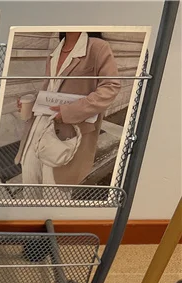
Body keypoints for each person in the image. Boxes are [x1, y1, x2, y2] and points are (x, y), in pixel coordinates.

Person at [15, 31, 120, 186]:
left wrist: (70, 112)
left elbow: (111, 87)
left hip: (66, 134)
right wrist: (34, 103)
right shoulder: (56, 50)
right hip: (37, 129)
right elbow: (52, 89)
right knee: (30, 183)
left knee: (54, 190)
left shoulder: (97, 47)